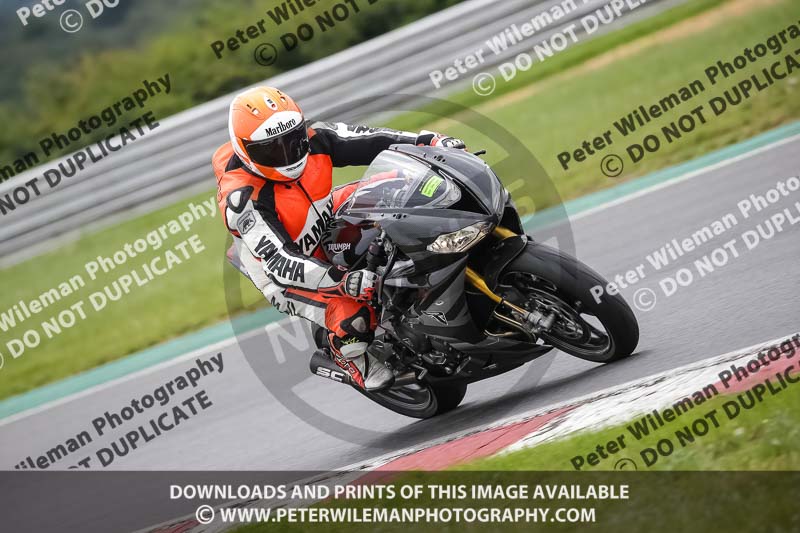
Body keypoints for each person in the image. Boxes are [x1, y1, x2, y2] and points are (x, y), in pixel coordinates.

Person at [212, 86, 465, 391]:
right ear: (244, 151)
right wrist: (342, 281)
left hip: (324, 212)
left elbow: (372, 139)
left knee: (404, 184)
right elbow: (281, 262)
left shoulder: (315, 138)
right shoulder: (242, 200)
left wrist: (429, 142)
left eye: (294, 141)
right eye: (271, 150)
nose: (288, 155)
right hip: (287, 274)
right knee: (353, 317)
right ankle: (352, 360)